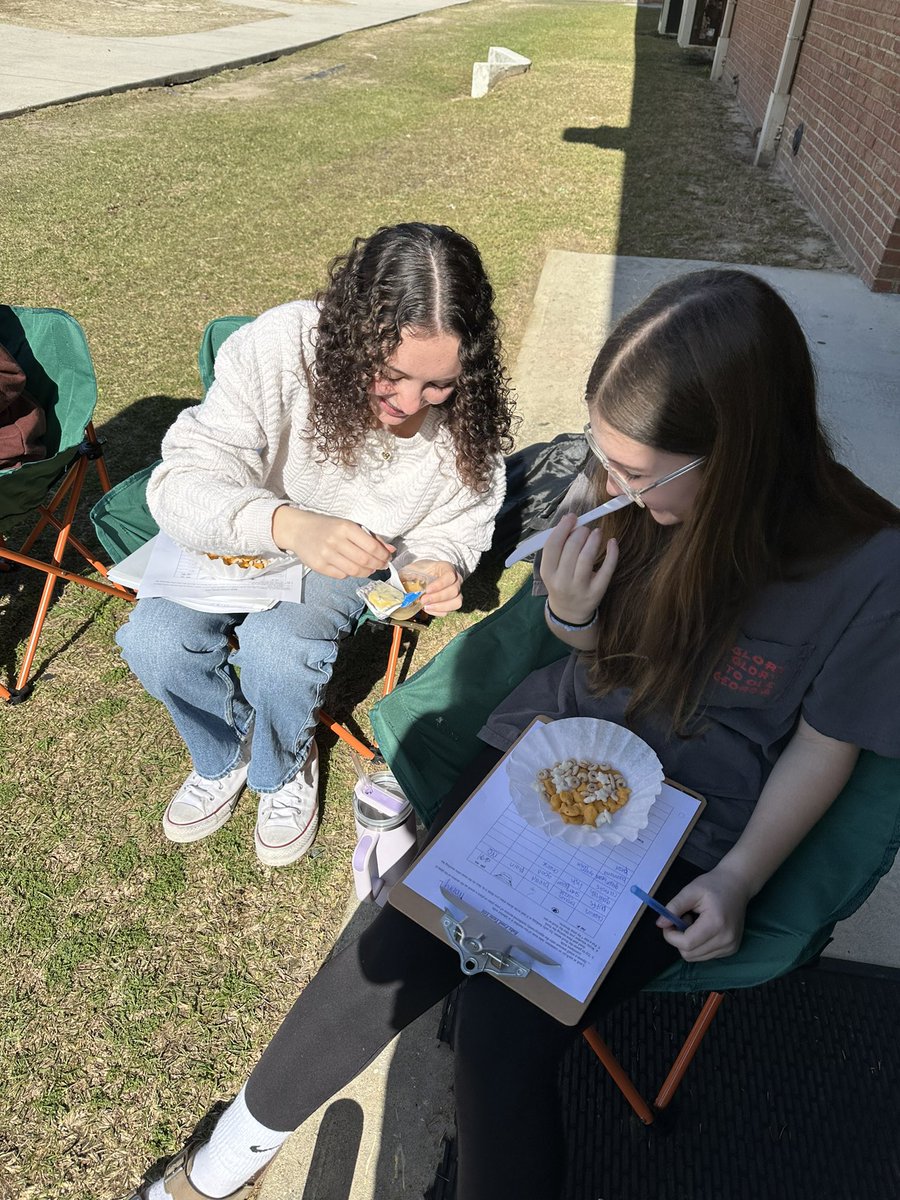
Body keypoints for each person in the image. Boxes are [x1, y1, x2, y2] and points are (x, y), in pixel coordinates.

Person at [118, 268, 900, 1200]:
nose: (606, 490)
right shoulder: (620, 494)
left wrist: (739, 879)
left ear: (737, 455)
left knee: (503, 1023)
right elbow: (591, 661)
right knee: (404, 926)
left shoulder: (869, 566)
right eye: (600, 460)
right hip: (557, 752)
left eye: (638, 474)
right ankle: (222, 1162)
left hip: (694, 820)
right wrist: (570, 617)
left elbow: (827, 742)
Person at [116, 222, 514, 867]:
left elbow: (457, 521)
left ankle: (280, 766)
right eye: (390, 375)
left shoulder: (469, 412)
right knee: (154, 640)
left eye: (439, 384)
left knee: (280, 650)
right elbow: (182, 479)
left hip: (355, 557)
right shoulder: (279, 345)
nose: (411, 403)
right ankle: (222, 753)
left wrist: (440, 564)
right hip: (241, 531)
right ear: (351, 334)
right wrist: (285, 524)